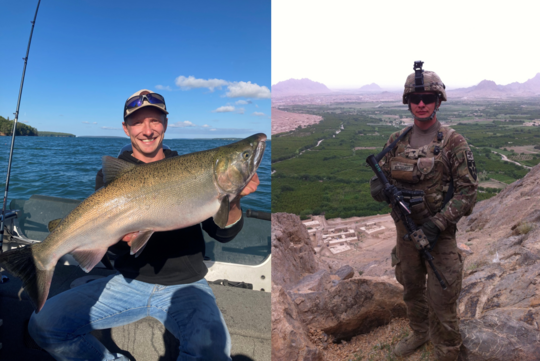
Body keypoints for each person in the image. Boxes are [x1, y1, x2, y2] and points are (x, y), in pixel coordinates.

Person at [28, 89, 260, 361]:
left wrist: (233, 200)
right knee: (43, 325)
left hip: (187, 284)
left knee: (212, 353)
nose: (147, 130)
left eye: (155, 121)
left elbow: (222, 233)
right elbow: (111, 249)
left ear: (165, 124)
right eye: (137, 122)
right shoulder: (110, 175)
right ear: (126, 129)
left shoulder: (191, 167)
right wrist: (117, 239)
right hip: (128, 281)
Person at [370, 64, 477, 360]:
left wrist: (436, 225)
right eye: (415, 98)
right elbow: (378, 181)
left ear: (438, 101)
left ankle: (447, 349)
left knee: (442, 298)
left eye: (427, 98)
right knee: (411, 288)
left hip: (438, 237)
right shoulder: (396, 140)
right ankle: (420, 333)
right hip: (405, 234)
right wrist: (381, 191)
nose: (421, 104)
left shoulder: (453, 142)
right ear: (408, 102)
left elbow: (468, 193)